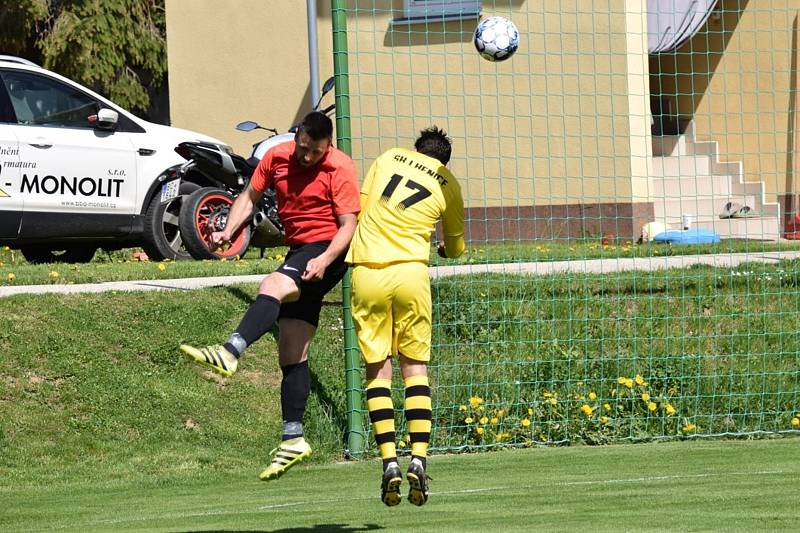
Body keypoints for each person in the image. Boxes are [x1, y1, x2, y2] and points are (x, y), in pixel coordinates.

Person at [179, 111, 360, 481]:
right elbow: (248, 197)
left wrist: (325, 259)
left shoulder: (339, 168)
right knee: (292, 352)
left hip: (328, 250)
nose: (306, 157)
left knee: (272, 285)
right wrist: (229, 230)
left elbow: (348, 227)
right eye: (303, 148)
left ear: (329, 146)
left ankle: (230, 352)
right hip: (299, 251)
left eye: (315, 152)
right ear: (297, 138)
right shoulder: (276, 158)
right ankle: (293, 438)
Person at [346, 126, 465, 507]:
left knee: (378, 371)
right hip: (412, 274)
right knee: (415, 370)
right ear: (443, 159)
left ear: (416, 151)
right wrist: (444, 251)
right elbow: (456, 247)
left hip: (368, 271)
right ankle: (418, 458)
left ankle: (388, 463)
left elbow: (360, 207)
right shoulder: (448, 183)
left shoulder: (389, 157)